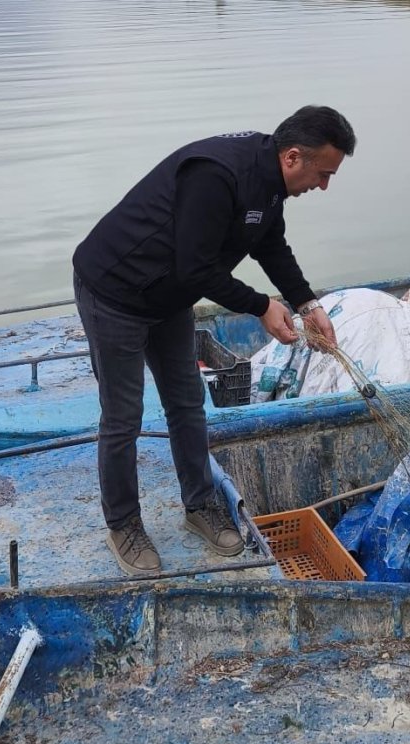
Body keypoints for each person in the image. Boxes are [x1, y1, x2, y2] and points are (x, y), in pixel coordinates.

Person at [72, 105, 354, 575]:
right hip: (115, 290)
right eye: (323, 174)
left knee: (187, 403)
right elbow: (197, 268)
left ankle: (200, 503)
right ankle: (123, 523)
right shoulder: (216, 176)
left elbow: (270, 245)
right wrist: (262, 306)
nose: (323, 186)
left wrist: (308, 305)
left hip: (168, 296)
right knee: (124, 417)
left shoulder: (269, 184)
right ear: (292, 158)